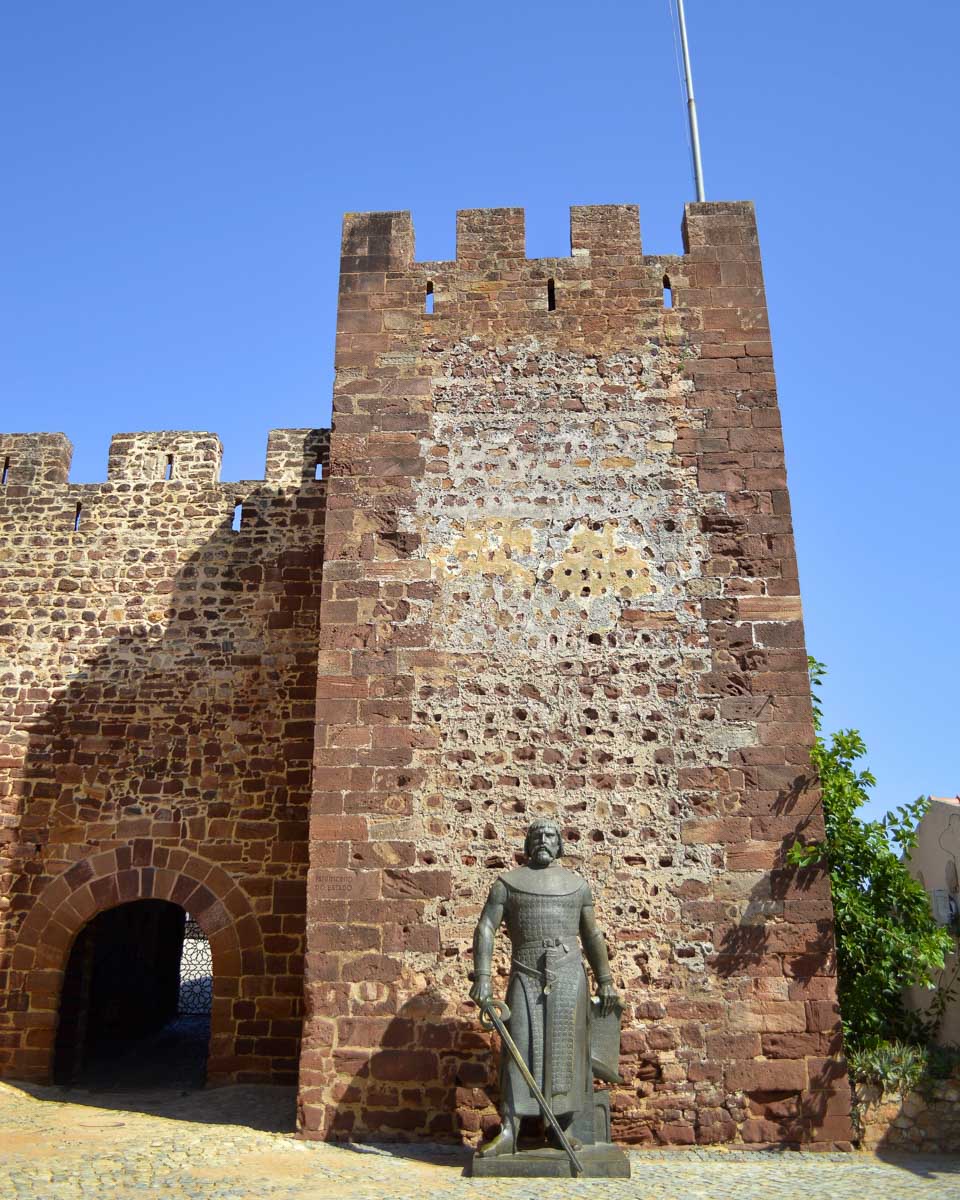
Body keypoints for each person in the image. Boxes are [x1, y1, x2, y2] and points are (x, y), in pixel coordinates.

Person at [469, 818, 619, 1156]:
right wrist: (482, 976)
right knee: (519, 1046)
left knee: (567, 1051)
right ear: (527, 844)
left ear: (560, 844)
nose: (543, 839)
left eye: (550, 834)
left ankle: (560, 1127)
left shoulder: (577, 886)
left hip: (568, 973)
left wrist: (605, 979)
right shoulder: (507, 883)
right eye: (536, 835)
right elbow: (487, 928)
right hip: (525, 972)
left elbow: (592, 934)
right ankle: (511, 1129)